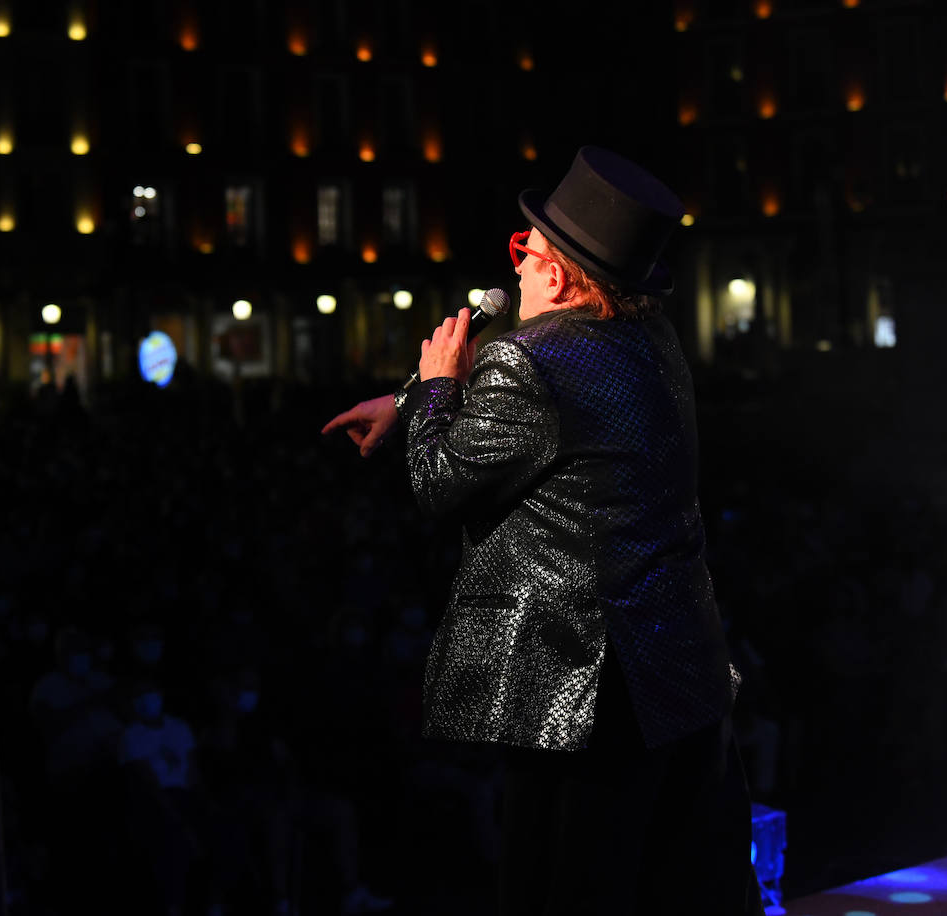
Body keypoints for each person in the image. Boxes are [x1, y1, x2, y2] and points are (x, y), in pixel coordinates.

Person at [322, 146, 763, 915]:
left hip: (582, 692)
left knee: (568, 888)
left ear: (557, 276)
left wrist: (431, 395)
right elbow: (546, 397)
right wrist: (404, 401)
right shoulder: (649, 339)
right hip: (680, 675)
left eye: (528, 255)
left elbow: (438, 484)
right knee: (688, 885)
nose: (515, 269)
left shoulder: (528, 364)